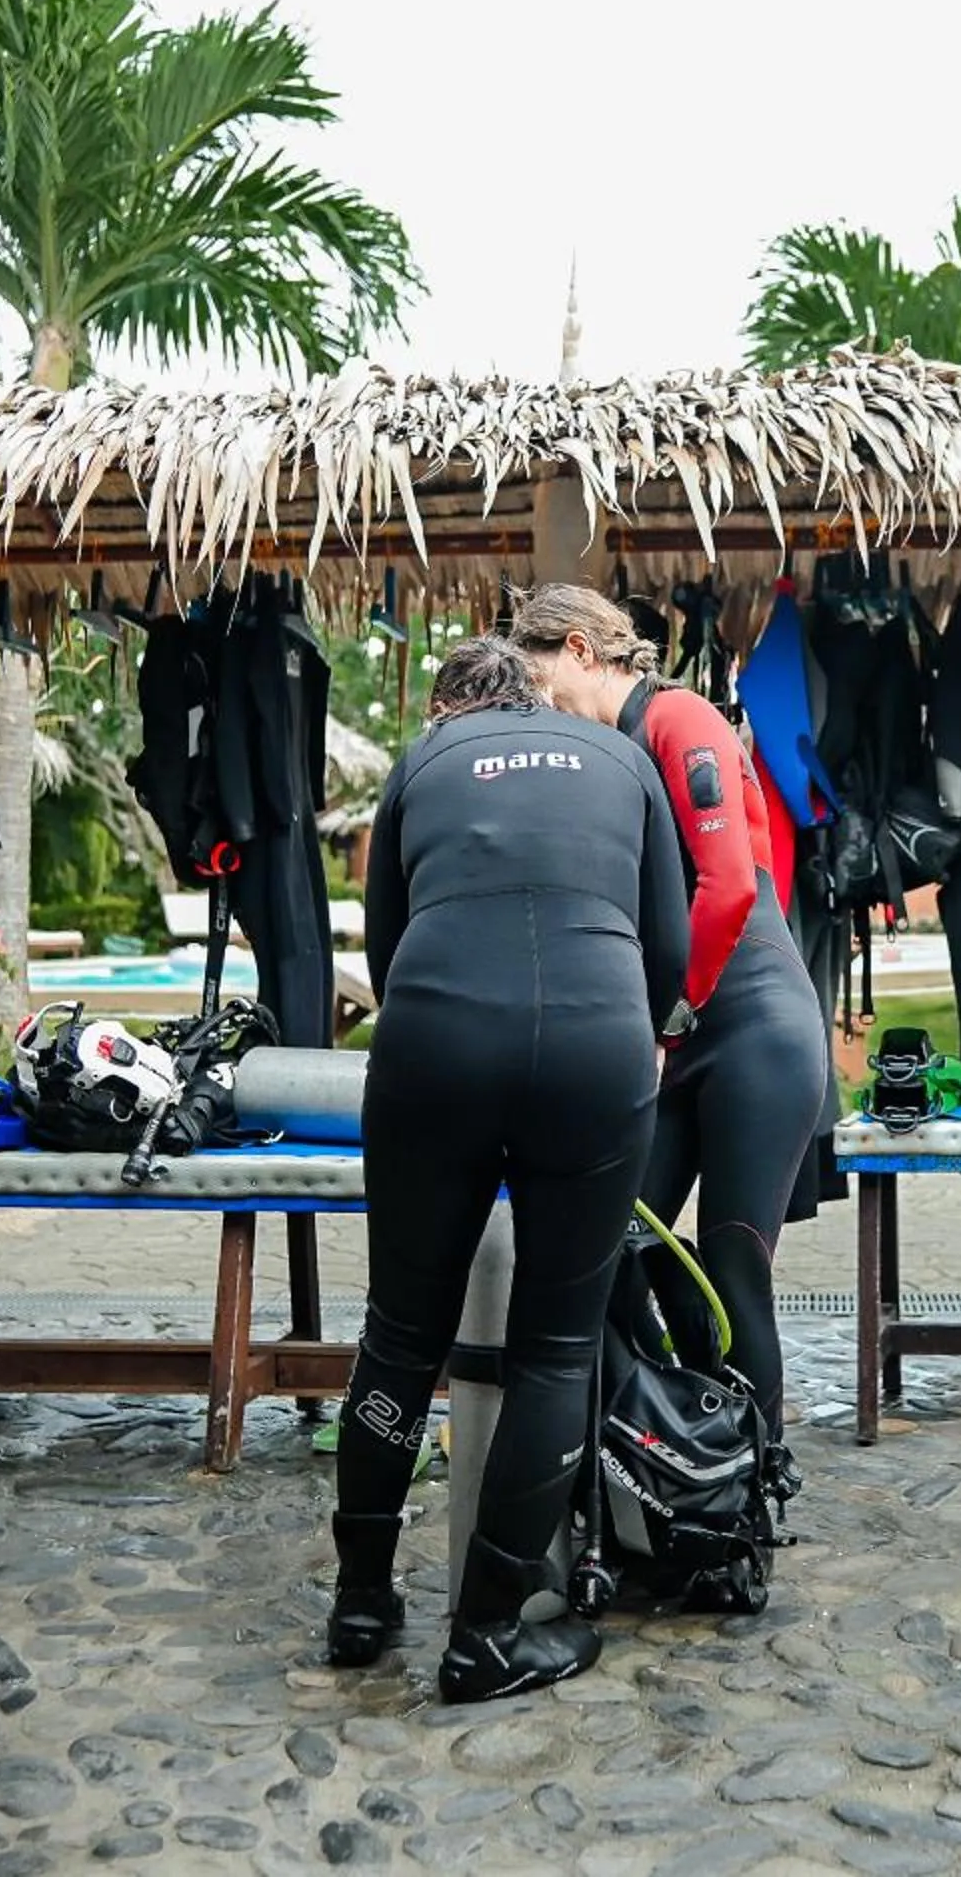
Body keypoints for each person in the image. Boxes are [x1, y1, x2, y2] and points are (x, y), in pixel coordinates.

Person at [327, 635, 692, 1701]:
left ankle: (360, 1601)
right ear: (538, 692)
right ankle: (487, 1631)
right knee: (556, 1346)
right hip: (594, 1044)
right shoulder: (621, 761)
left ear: (449, 709)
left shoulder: (422, 765)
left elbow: (387, 953)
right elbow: (663, 950)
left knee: (401, 1333)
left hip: (435, 1042)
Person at [511, 585, 832, 1492]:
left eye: (538, 679)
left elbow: (728, 887)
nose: (536, 702)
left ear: (579, 648)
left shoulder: (679, 716)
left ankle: (758, 1481)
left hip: (752, 1035)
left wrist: (664, 1018)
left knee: (733, 1265)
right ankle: (681, 1424)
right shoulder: (601, 756)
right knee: (606, 1246)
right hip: (678, 1038)